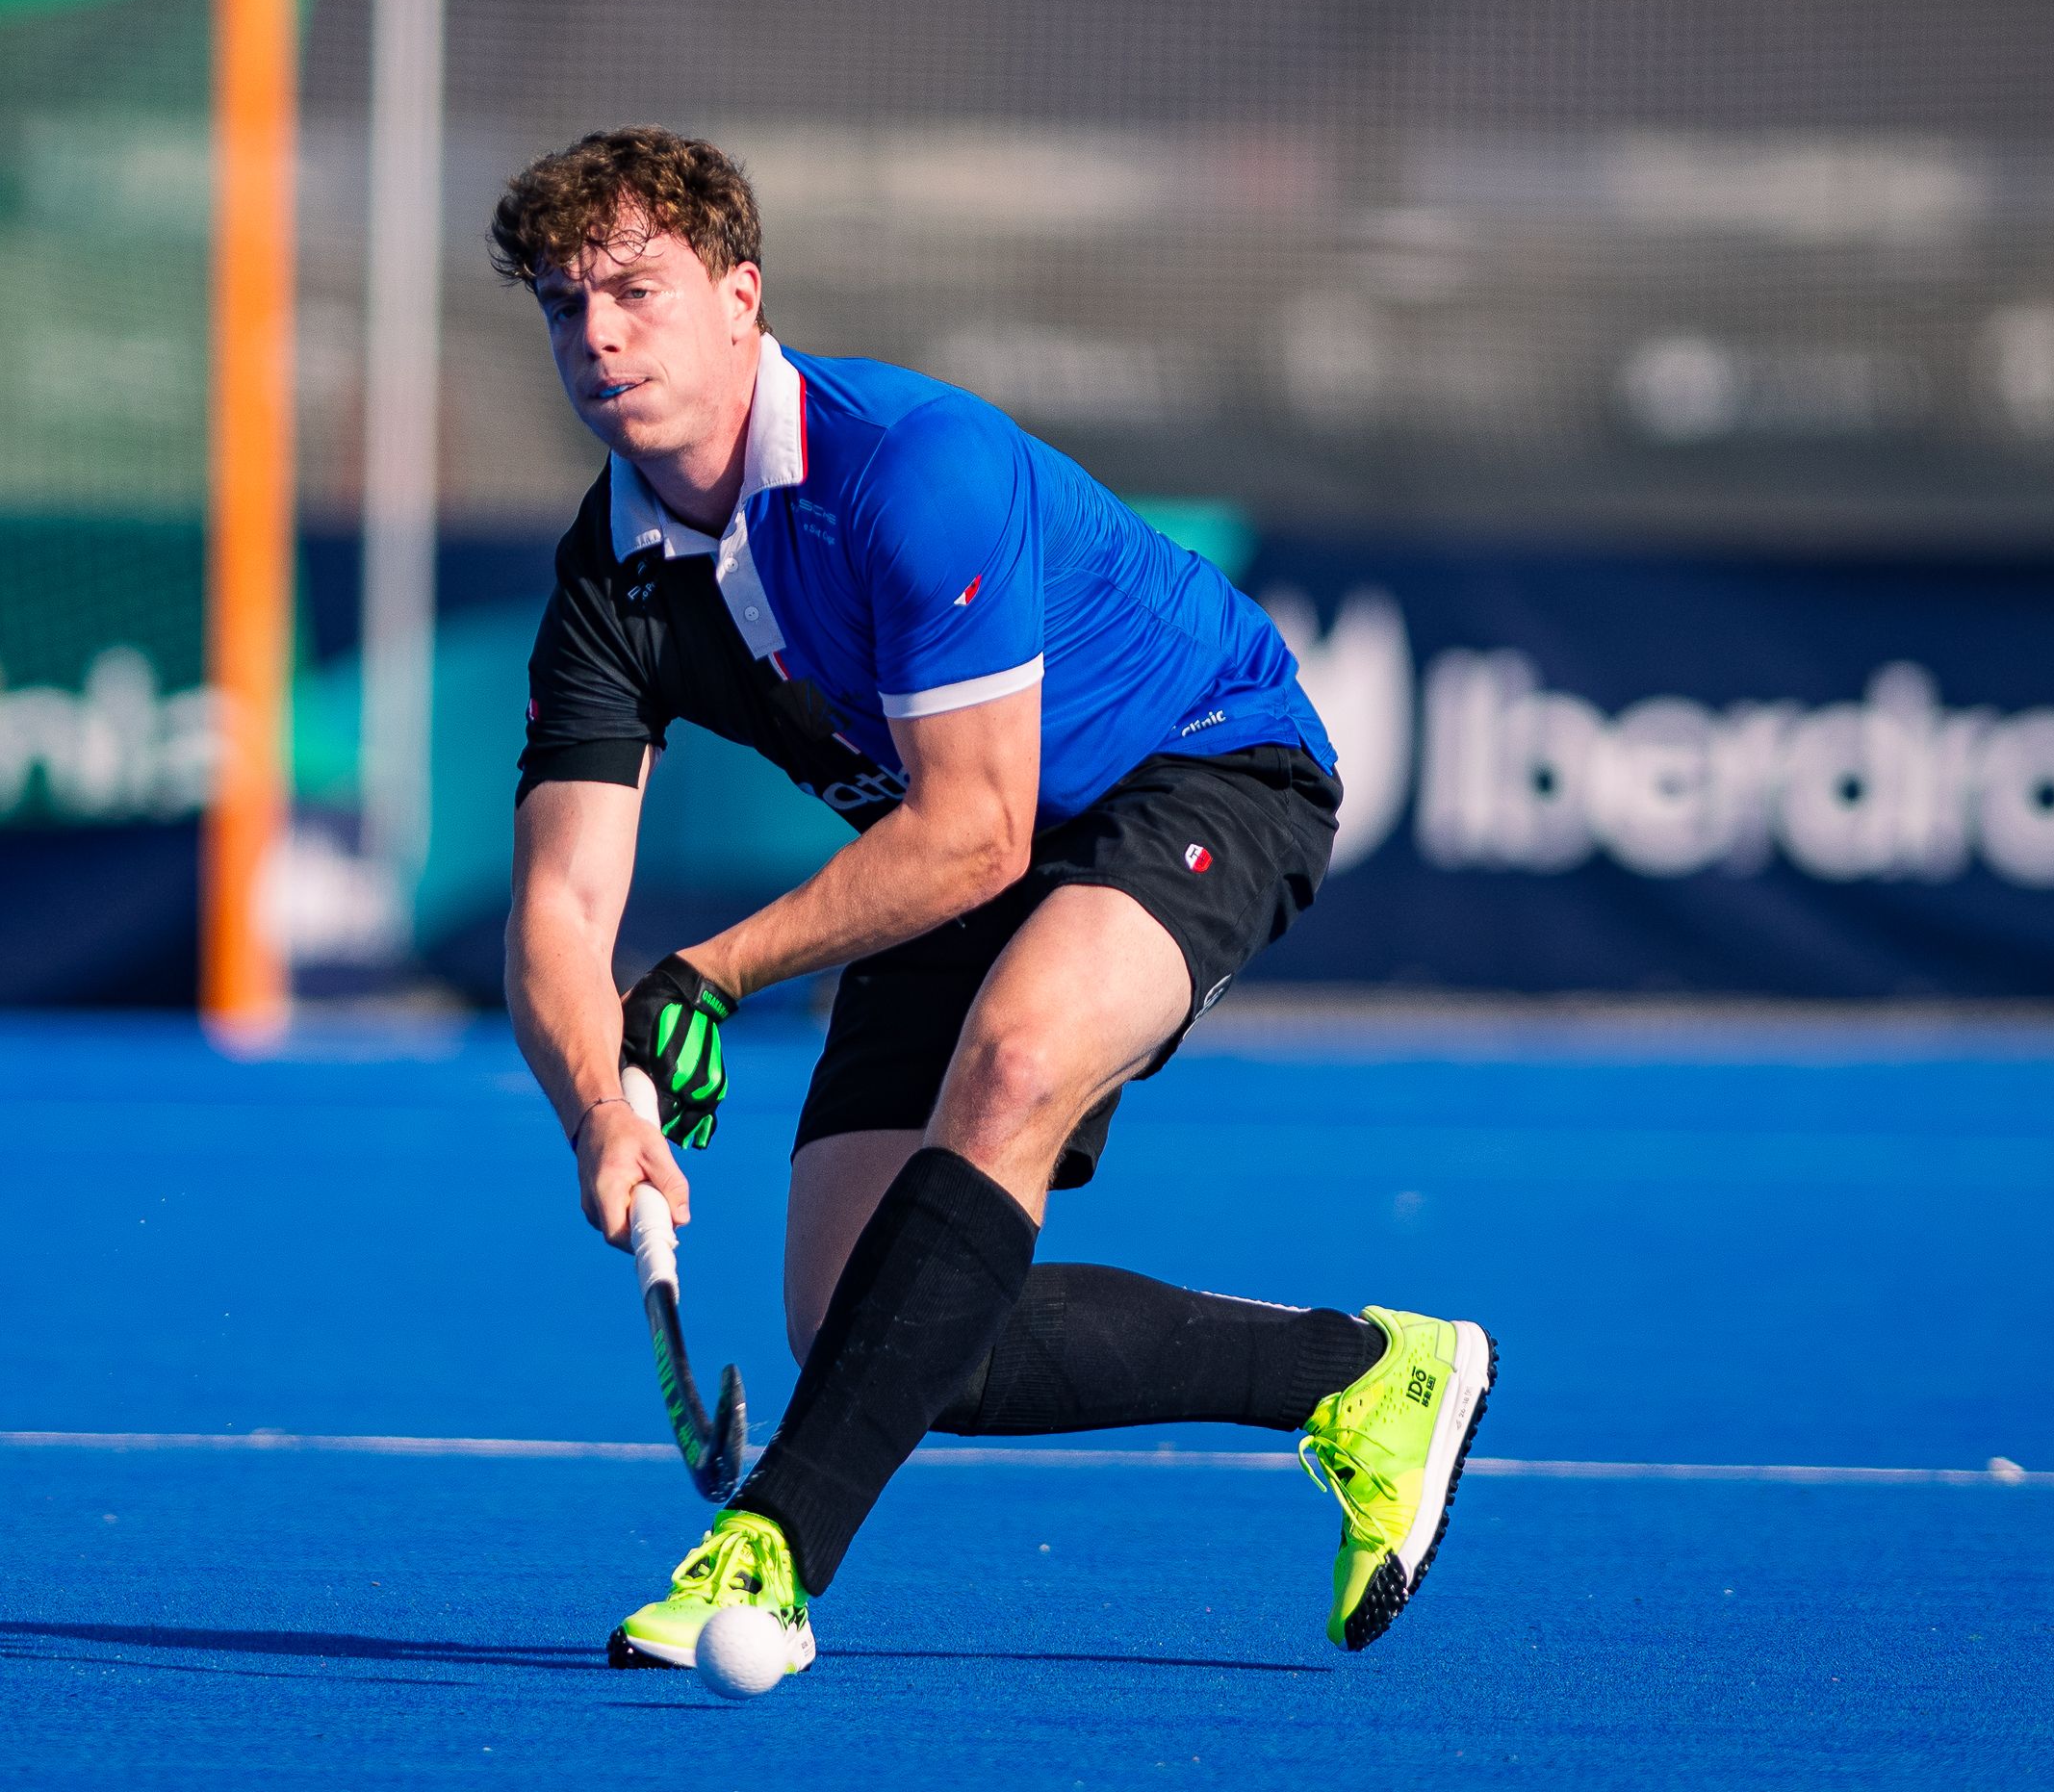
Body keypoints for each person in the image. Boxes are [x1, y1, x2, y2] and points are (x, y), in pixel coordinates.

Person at [495, 127, 1494, 1674]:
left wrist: (713, 971)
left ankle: (767, 1553)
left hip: (1198, 771)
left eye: (637, 289)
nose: (600, 334)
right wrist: (597, 1111)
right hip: (955, 833)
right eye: (565, 305)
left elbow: (974, 834)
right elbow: (561, 908)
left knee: (1017, 1061)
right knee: (866, 1327)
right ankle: (1366, 1375)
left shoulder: (908, 469)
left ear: (741, 297)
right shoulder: (608, 582)